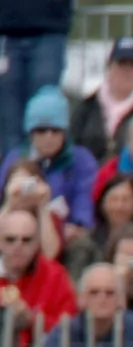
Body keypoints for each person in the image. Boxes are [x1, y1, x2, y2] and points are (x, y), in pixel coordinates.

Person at [1, 88, 98, 244]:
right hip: (19, 232)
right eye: (41, 130)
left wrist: (78, 223)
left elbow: (85, 198)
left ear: (65, 132)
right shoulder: (15, 159)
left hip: (65, 233)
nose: (49, 136)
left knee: (82, 244)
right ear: (30, 132)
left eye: (56, 129)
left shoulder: (81, 160)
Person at [0, 206, 76, 347]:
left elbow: (70, 328)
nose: (18, 246)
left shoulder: (55, 275)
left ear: (37, 244)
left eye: (26, 240)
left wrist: (31, 319)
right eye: (10, 239)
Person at [0, 0, 68, 160]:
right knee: (9, 123)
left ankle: (46, 179)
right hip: (6, 33)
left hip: (50, 29)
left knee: (46, 120)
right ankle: (14, 177)